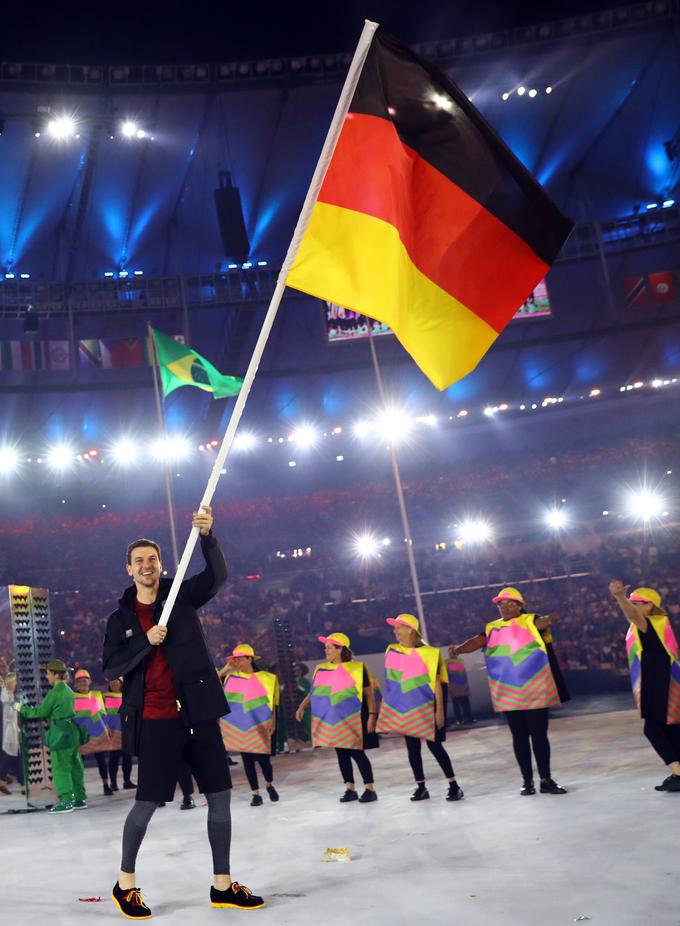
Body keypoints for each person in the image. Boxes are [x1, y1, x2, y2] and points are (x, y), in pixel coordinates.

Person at [102, 505, 264, 919]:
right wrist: (144, 640)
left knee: (221, 797)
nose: (146, 566)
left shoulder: (181, 597)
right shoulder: (119, 619)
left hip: (198, 714)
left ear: (161, 564)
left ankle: (223, 886)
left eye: (152, 559)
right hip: (156, 720)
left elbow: (218, 577)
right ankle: (125, 886)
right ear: (128, 569)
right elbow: (112, 667)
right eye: (138, 561)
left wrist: (208, 537)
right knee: (148, 802)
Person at [451, 587, 568, 796]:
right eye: (501, 605)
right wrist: (459, 649)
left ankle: (545, 779)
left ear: (520, 605)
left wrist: (551, 618)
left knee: (539, 736)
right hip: (509, 693)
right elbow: (475, 642)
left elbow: (543, 622)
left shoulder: (531, 620)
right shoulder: (492, 628)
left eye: (510, 603)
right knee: (519, 737)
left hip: (535, 690)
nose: (505, 607)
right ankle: (527, 781)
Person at [378, 614, 463, 802]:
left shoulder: (431, 653)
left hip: (427, 705)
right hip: (405, 708)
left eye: (399, 627)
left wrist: (439, 711)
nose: (395, 630)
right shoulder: (391, 651)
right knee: (412, 749)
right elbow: (391, 682)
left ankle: (453, 785)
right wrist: (385, 707)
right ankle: (421, 787)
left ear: (411, 630)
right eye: (395, 627)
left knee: (435, 747)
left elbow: (437, 684)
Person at [609, 581, 680, 791]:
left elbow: (633, 616)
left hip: (659, 680)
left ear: (651, 606)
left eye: (639, 603)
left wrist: (620, 597)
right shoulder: (653, 625)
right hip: (662, 678)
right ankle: (677, 773)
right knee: (671, 728)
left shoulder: (654, 622)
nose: (634, 606)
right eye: (633, 602)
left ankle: (678, 772)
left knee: (653, 729)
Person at [296, 632, 378, 803]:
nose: (326, 651)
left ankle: (370, 788)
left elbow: (369, 694)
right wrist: (302, 706)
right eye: (325, 648)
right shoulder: (322, 669)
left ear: (340, 649)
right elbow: (314, 693)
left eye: (329, 647)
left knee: (357, 752)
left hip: (352, 717)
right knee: (341, 753)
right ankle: (350, 788)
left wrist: (372, 714)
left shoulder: (357, 668)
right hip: (333, 719)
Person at [16, 659, 87, 813]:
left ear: (56, 675)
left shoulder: (55, 692)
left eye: (48, 673)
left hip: (61, 733)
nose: (46, 676)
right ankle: (80, 798)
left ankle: (66, 801)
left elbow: (41, 712)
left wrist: (22, 708)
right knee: (75, 766)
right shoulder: (68, 690)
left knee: (60, 767)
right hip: (72, 731)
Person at [219, 644, 280, 807]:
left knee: (264, 761)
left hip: (260, 725)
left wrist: (273, 722)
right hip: (240, 727)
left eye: (239, 658)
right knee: (247, 762)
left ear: (249, 659)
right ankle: (255, 794)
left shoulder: (268, 678)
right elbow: (211, 683)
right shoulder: (231, 678)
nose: (236, 662)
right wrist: (226, 668)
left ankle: (269, 784)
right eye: (234, 659)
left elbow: (273, 703)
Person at [73, 668, 113, 795]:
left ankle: (106, 785)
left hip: (97, 733)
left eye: (85, 681)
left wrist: (107, 727)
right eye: (80, 682)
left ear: (89, 681)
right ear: (76, 684)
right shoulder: (73, 697)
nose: (83, 683)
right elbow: (74, 716)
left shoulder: (96, 695)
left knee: (101, 760)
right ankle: (78, 789)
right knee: (79, 763)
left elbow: (103, 712)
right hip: (82, 735)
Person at [105, 677, 136, 791]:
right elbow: (102, 713)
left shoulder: (127, 696)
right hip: (113, 732)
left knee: (127, 757)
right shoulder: (105, 697)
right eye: (111, 681)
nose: (113, 683)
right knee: (114, 758)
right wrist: (106, 727)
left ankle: (127, 781)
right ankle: (113, 783)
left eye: (116, 680)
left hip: (126, 731)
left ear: (121, 682)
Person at [0, 672, 25, 794]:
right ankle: (23, 784)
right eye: (15, 682)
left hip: (12, 730)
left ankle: (20, 783)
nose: (16, 684)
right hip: (10, 731)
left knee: (13, 757)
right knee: (14, 757)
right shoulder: (8, 698)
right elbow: (10, 715)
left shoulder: (9, 696)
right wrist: (19, 706)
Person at [446, 656, 475, 725]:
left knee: (466, 704)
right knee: (456, 706)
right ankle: (459, 720)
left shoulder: (461, 661)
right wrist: (449, 688)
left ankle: (468, 718)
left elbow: (464, 675)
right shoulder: (447, 662)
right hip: (454, 687)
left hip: (462, 686)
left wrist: (466, 686)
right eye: (451, 651)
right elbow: (448, 676)